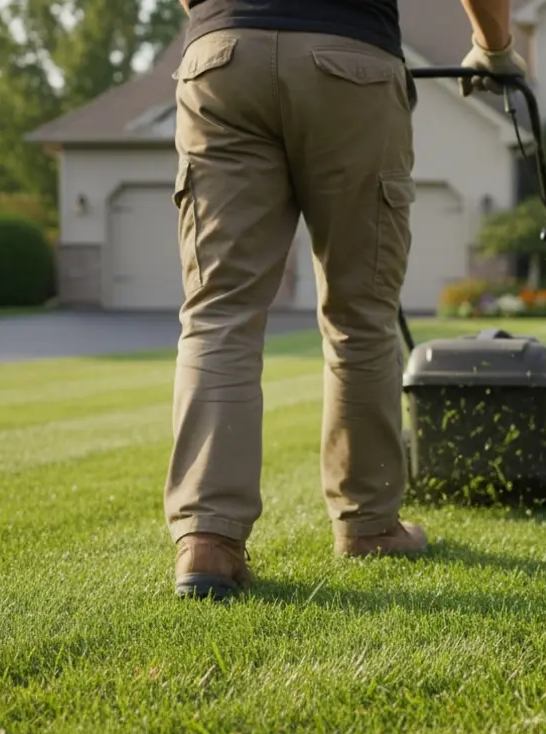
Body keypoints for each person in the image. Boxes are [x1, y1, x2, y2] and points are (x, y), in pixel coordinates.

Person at [166, 0, 527, 600]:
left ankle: (208, 538)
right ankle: (369, 524)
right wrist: (493, 48)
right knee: (358, 314)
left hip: (222, 62)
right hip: (348, 59)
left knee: (219, 311)